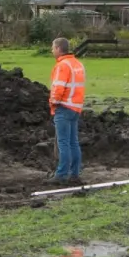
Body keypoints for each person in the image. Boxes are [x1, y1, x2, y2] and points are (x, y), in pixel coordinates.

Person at [48, 36, 86, 185]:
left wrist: (53, 103)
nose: (52, 50)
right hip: (76, 108)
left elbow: (58, 87)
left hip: (63, 108)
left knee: (63, 142)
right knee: (73, 142)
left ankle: (62, 174)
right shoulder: (77, 64)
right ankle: (75, 173)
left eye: (53, 48)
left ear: (58, 49)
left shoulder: (62, 66)